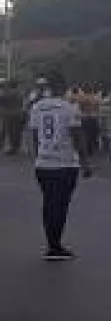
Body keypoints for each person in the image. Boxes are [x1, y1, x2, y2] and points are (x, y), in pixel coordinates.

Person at [29, 72, 91, 260]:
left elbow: (34, 137)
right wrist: (85, 163)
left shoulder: (37, 107)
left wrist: (39, 155)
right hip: (64, 163)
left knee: (49, 203)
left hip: (43, 163)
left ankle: (52, 242)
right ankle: (54, 246)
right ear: (64, 87)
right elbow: (78, 137)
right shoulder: (69, 108)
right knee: (60, 205)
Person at [0, 80, 25, 155]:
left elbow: (2, 101)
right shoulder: (20, 93)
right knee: (16, 131)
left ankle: (13, 148)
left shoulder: (7, 93)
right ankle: (16, 147)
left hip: (8, 115)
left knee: (10, 131)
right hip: (17, 114)